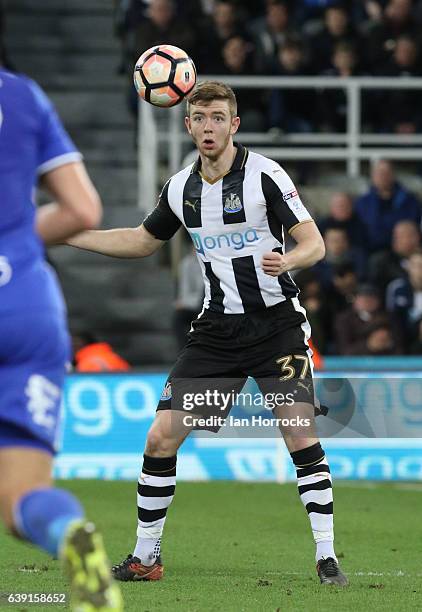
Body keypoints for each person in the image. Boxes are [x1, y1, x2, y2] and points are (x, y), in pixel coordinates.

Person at [66, 81, 348, 586]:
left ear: (233, 124)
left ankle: (327, 557)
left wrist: (290, 258)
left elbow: (314, 243)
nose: (209, 127)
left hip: (277, 326)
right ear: (188, 125)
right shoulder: (180, 188)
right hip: (217, 333)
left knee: (298, 432)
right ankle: (146, 558)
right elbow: (141, 241)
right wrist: (69, 233)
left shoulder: (265, 176)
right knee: (159, 437)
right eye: (200, 119)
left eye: (219, 117)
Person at [0, 66, 123, 611]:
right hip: (27, 302)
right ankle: (69, 533)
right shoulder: (23, 94)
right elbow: (82, 210)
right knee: (21, 497)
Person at [354, 159, 422, 253]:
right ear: (372, 177)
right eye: (379, 173)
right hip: (371, 251)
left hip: (404, 250)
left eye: (386, 173)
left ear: (393, 175)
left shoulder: (410, 200)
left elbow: (414, 225)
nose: (382, 177)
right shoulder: (362, 203)